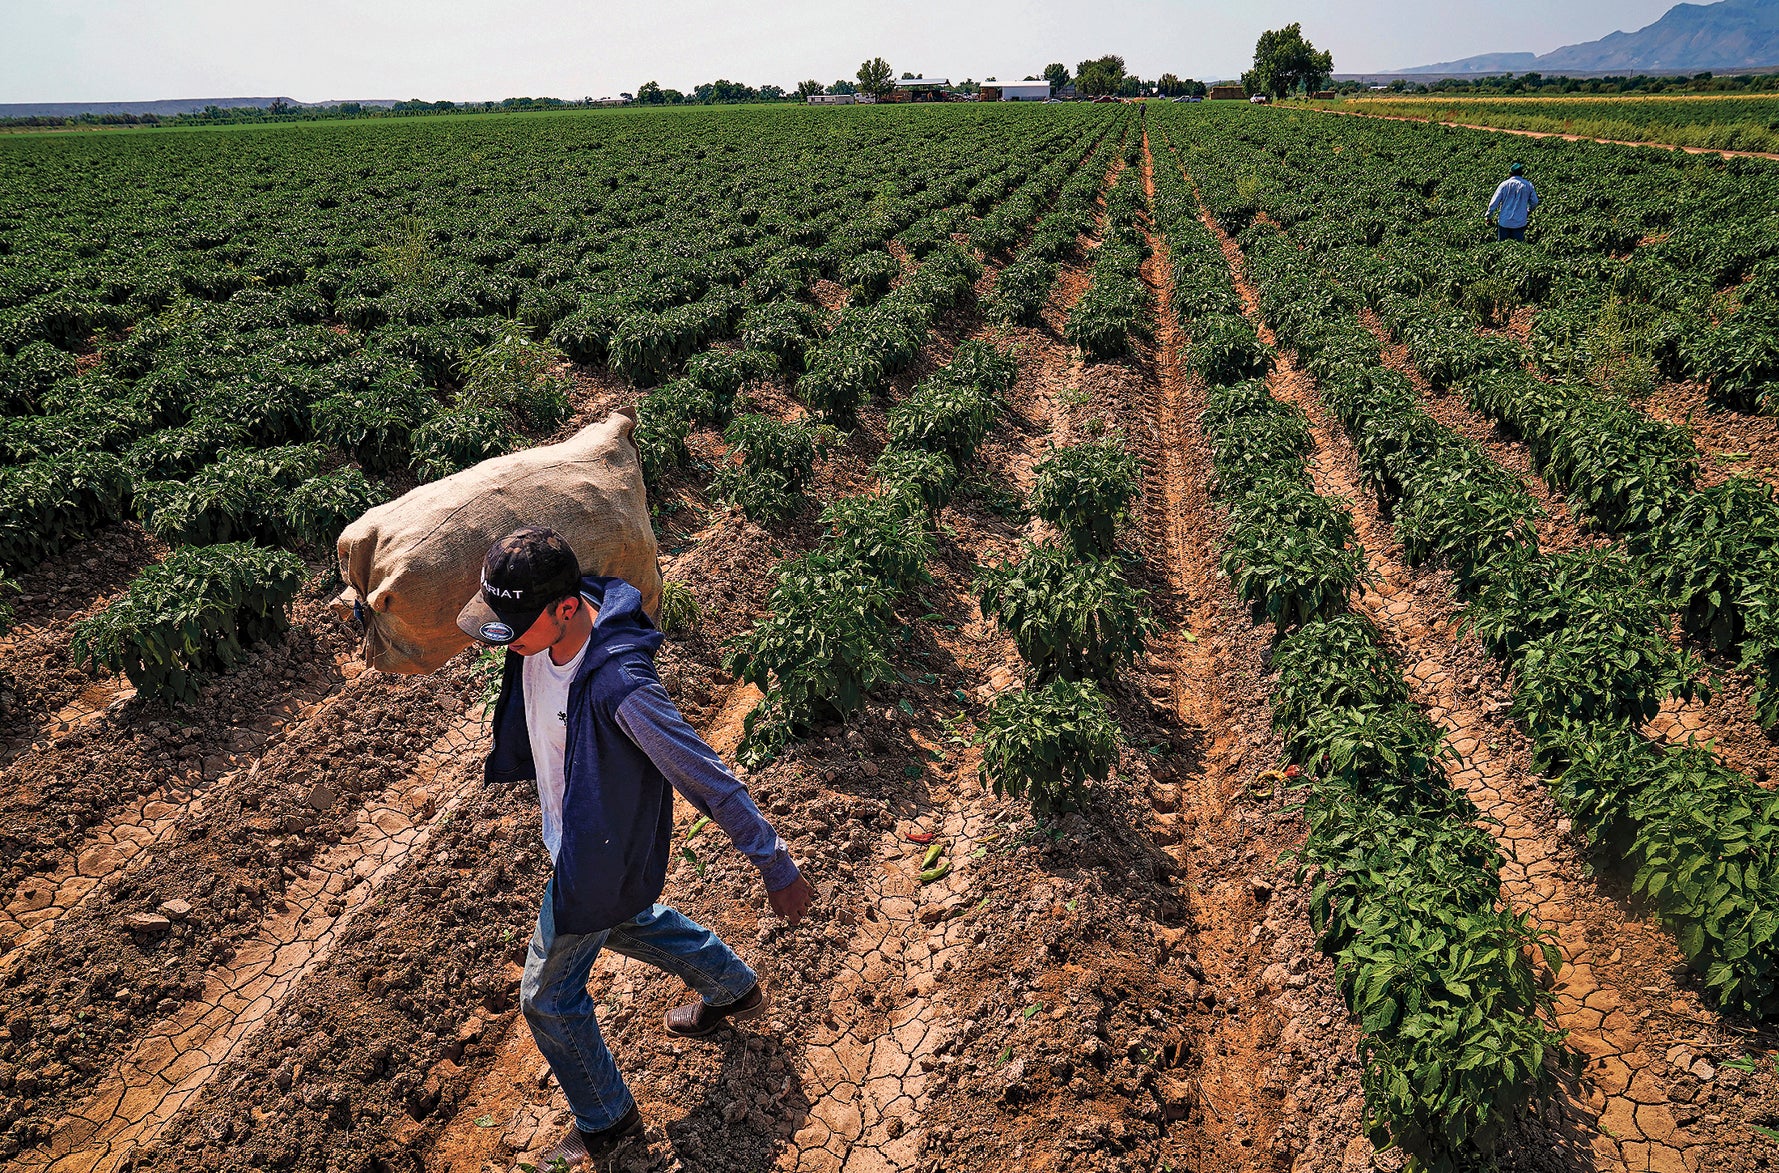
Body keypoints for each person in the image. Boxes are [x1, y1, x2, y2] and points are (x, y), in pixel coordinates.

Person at [458, 527, 814, 1166]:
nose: (502, 639)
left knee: (546, 995)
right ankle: (732, 987)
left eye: (514, 623)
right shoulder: (545, 622)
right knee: (627, 922)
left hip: (598, 854)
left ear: (566, 609)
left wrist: (776, 863)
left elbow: (706, 776)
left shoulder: (624, 688)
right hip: (582, 835)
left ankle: (608, 1120)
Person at [1486, 162, 1539, 242]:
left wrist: (1489, 216)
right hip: (1519, 222)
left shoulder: (1504, 185)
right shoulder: (1528, 185)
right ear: (1522, 174)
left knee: (1502, 247)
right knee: (1518, 247)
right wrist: (1528, 211)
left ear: (1510, 173)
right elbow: (1534, 202)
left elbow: (1494, 203)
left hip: (1504, 221)